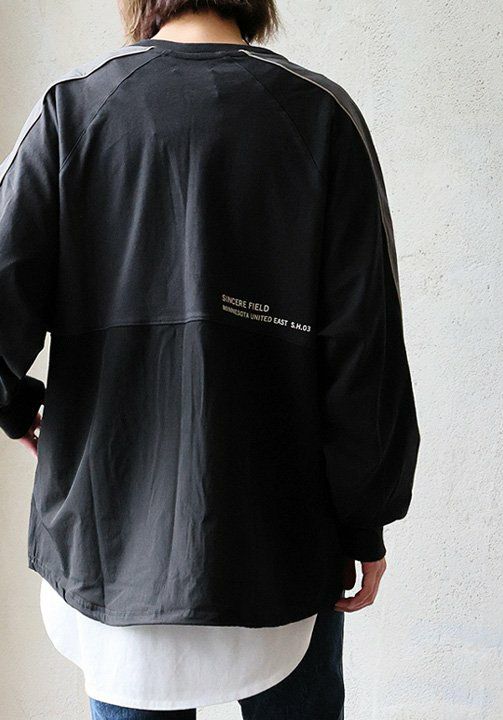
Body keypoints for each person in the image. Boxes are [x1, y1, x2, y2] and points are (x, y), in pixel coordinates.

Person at [0, 1, 421, 717]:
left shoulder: (72, 112)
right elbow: (365, 353)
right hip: (281, 542)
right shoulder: (320, 116)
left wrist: (16, 410)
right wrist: (364, 522)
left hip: (111, 545)